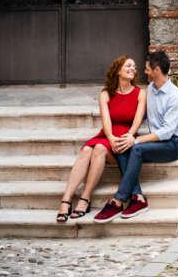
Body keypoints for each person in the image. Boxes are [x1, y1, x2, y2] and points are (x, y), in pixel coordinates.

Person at [93, 49, 178, 223]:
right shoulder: (151, 89)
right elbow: (142, 115)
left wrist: (135, 139)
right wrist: (126, 134)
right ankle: (138, 198)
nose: (144, 72)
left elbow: (166, 132)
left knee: (135, 148)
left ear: (156, 70)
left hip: (173, 144)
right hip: (158, 141)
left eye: (147, 69)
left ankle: (118, 200)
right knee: (122, 145)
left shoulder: (174, 96)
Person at [56, 56, 147, 223]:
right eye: (128, 65)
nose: (133, 68)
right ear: (118, 70)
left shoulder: (141, 93)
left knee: (98, 149)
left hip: (126, 138)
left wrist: (129, 136)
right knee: (86, 150)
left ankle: (85, 198)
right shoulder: (105, 94)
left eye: (134, 66)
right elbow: (106, 121)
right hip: (108, 135)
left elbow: (137, 121)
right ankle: (66, 199)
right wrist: (110, 137)